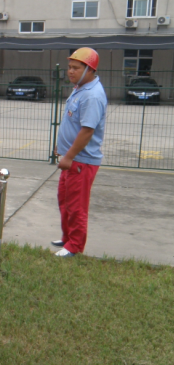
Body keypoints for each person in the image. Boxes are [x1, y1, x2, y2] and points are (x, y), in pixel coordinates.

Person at [53, 47, 107, 258]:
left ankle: (74, 246)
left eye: (76, 68)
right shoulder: (80, 89)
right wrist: (62, 148)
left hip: (80, 161)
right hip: (71, 159)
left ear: (90, 69)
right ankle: (67, 238)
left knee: (76, 206)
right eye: (69, 67)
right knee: (65, 201)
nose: (70, 71)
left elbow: (87, 131)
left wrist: (68, 156)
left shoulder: (92, 95)